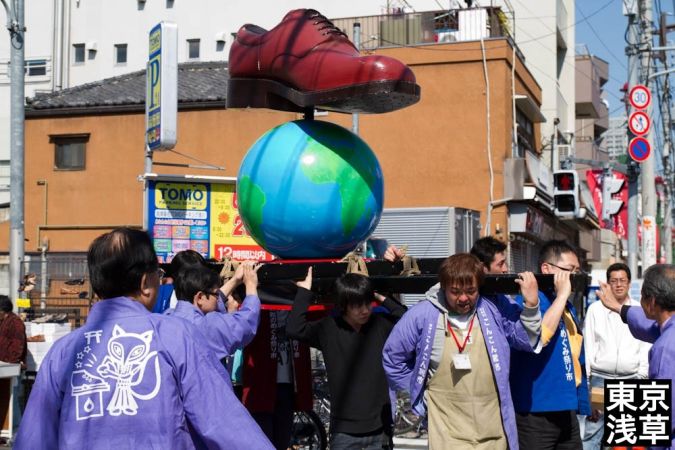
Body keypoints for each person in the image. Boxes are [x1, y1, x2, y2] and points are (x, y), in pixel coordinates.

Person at [13, 228, 272, 449]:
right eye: (158, 275)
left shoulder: (63, 352)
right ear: (146, 283)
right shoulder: (175, 335)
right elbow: (223, 421)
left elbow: (34, 438)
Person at [383, 253, 542, 449]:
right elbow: (393, 358)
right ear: (443, 287)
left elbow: (525, 340)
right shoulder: (422, 315)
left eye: (471, 291)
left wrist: (531, 306)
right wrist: (418, 396)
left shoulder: (493, 307)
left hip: (492, 427)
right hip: (445, 429)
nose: (464, 298)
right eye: (455, 292)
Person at [286, 269, 407, 449]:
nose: (365, 310)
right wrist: (304, 292)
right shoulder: (328, 328)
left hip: (379, 429)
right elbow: (294, 329)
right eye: (357, 305)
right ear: (344, 305)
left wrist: (380, 296)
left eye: (368, 303)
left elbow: (406, 319)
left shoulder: (380, 324)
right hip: (344, 432)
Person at [509, 240, 591, 450]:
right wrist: (562, 296)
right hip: (535, 412)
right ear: (546, 269)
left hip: (566, 409)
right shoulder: (530, 301)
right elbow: (539, 337)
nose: (573, 277)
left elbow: (576, 356)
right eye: (569, 270)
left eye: (577, 271)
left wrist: (582, 400)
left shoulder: (566, 305)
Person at [597, 263, 675, 449]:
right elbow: (650, 326)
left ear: (652, 302)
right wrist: (620, 308)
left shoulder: (665, 348)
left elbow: (665, 413)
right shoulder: (667, 329)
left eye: (642, 296)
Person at [581, 263, 650, 450]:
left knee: (624, 436)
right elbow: (588, 346)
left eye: (622, 280)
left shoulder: (639, 310)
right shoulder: (595, 309)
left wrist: (642, 376)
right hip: (600, 379)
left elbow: (645, 346)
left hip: (631, 379)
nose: (618, 285)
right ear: (607, 283)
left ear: (629, 283)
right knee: (592, 433)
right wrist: (587, 383)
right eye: (614, 281)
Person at [165, 262, 261, 360]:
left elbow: (209, 300)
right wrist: (251, 285)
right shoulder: (208, 326)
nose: (218, 298)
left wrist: (235, 280)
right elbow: (246, 322)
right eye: (216, 295)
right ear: (200, 297)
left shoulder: (166, 317)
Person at [0, 295, 27, 365]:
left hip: (10, 365)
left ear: (2, 310)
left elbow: (18, 345)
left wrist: (12, 363)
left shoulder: (15, 322)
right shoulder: (3, 321)